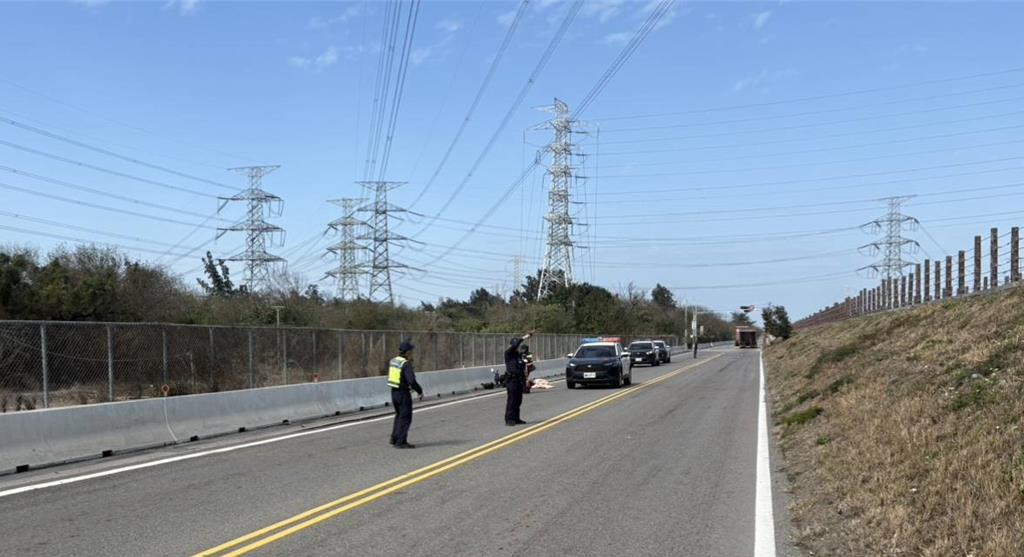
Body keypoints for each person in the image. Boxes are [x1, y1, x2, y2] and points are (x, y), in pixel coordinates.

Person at [387, 341, 423, 448]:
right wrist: (419, 391)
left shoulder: (393, 361)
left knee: (399, 416)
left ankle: (394, 438)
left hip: (394, 392)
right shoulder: (405, 364)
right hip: (403, 393)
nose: (412, 353)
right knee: (406, 417)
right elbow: (411, 381)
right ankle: (401, 442)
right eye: (411, 351)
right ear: (407, 352)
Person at [504, 332, 532, 426]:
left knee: (518, 401)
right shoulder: (508, 354)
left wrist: (525, 382)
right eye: (514, 345)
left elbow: (523, 369)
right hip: (512, 381)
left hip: (519, 381)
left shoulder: (518, 356)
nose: (516, 346)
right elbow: (515, 345)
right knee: (511, 401)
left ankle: (516, 418)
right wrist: (524, 337)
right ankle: (509, 419)